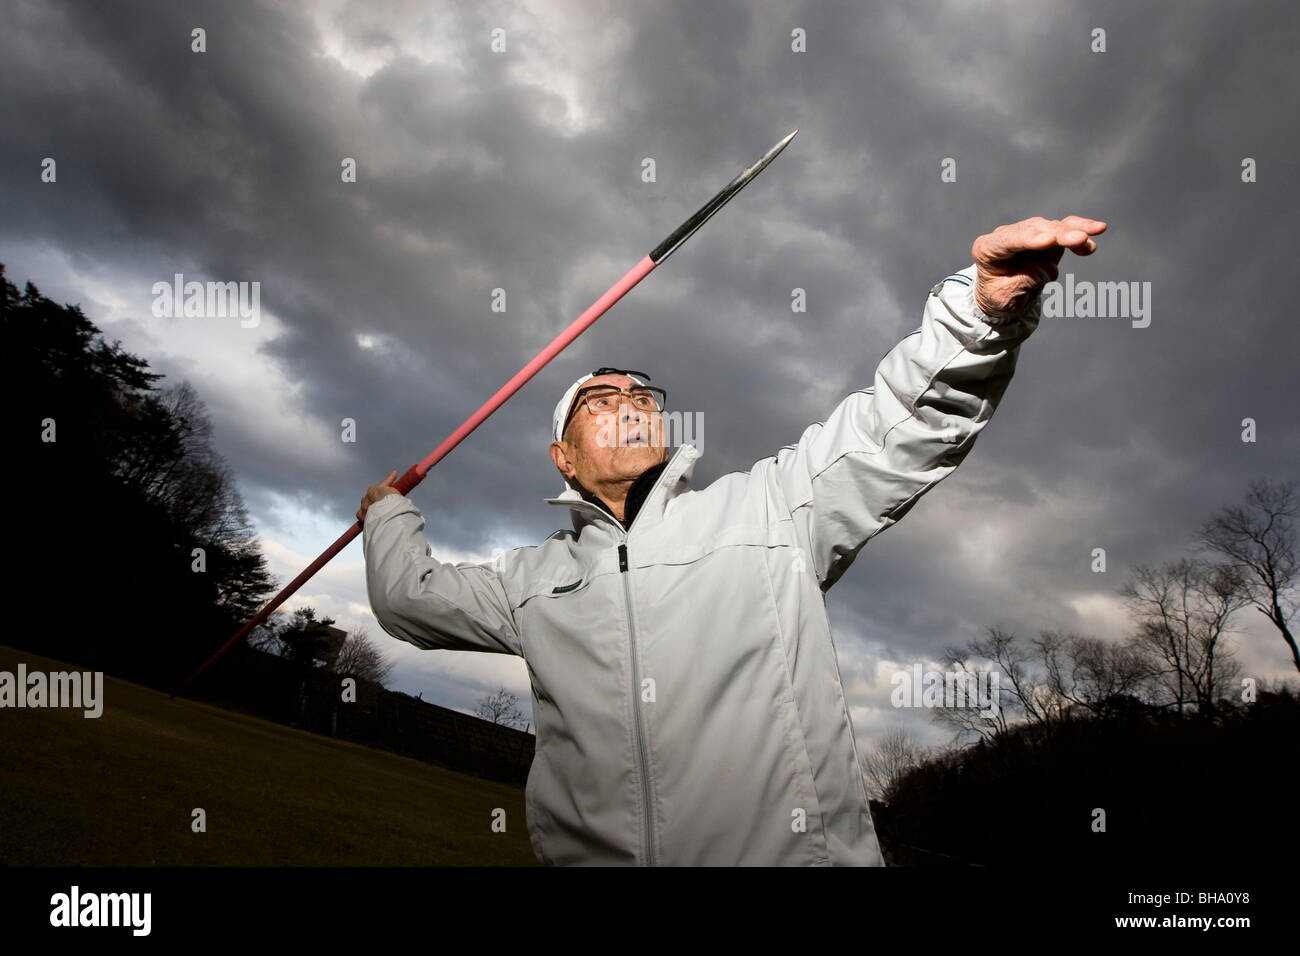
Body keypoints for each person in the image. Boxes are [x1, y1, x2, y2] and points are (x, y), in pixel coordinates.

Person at [359, 215, 1107, 865]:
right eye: (600, 399)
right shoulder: (527, 583)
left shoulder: (769, 511)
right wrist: (387, 511)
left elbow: (895, 426)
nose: (628, 403)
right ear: (562, 456)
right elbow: (406, 600)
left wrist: (976, 313)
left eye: (641, 396)